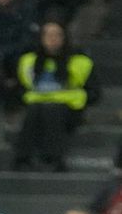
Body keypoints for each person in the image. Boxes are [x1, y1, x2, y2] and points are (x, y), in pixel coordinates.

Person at [14, 21, 100, 171]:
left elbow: (94, 92)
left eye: (57, 35)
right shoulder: (28, 61)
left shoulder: (80, 61)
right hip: (37, 107)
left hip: (70, 109)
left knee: (51, 110)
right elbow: (20, 89)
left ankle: (53, 159)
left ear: (65, 37)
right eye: (48, 35)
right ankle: (23, 158)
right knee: (37, 110)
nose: (52, 39)